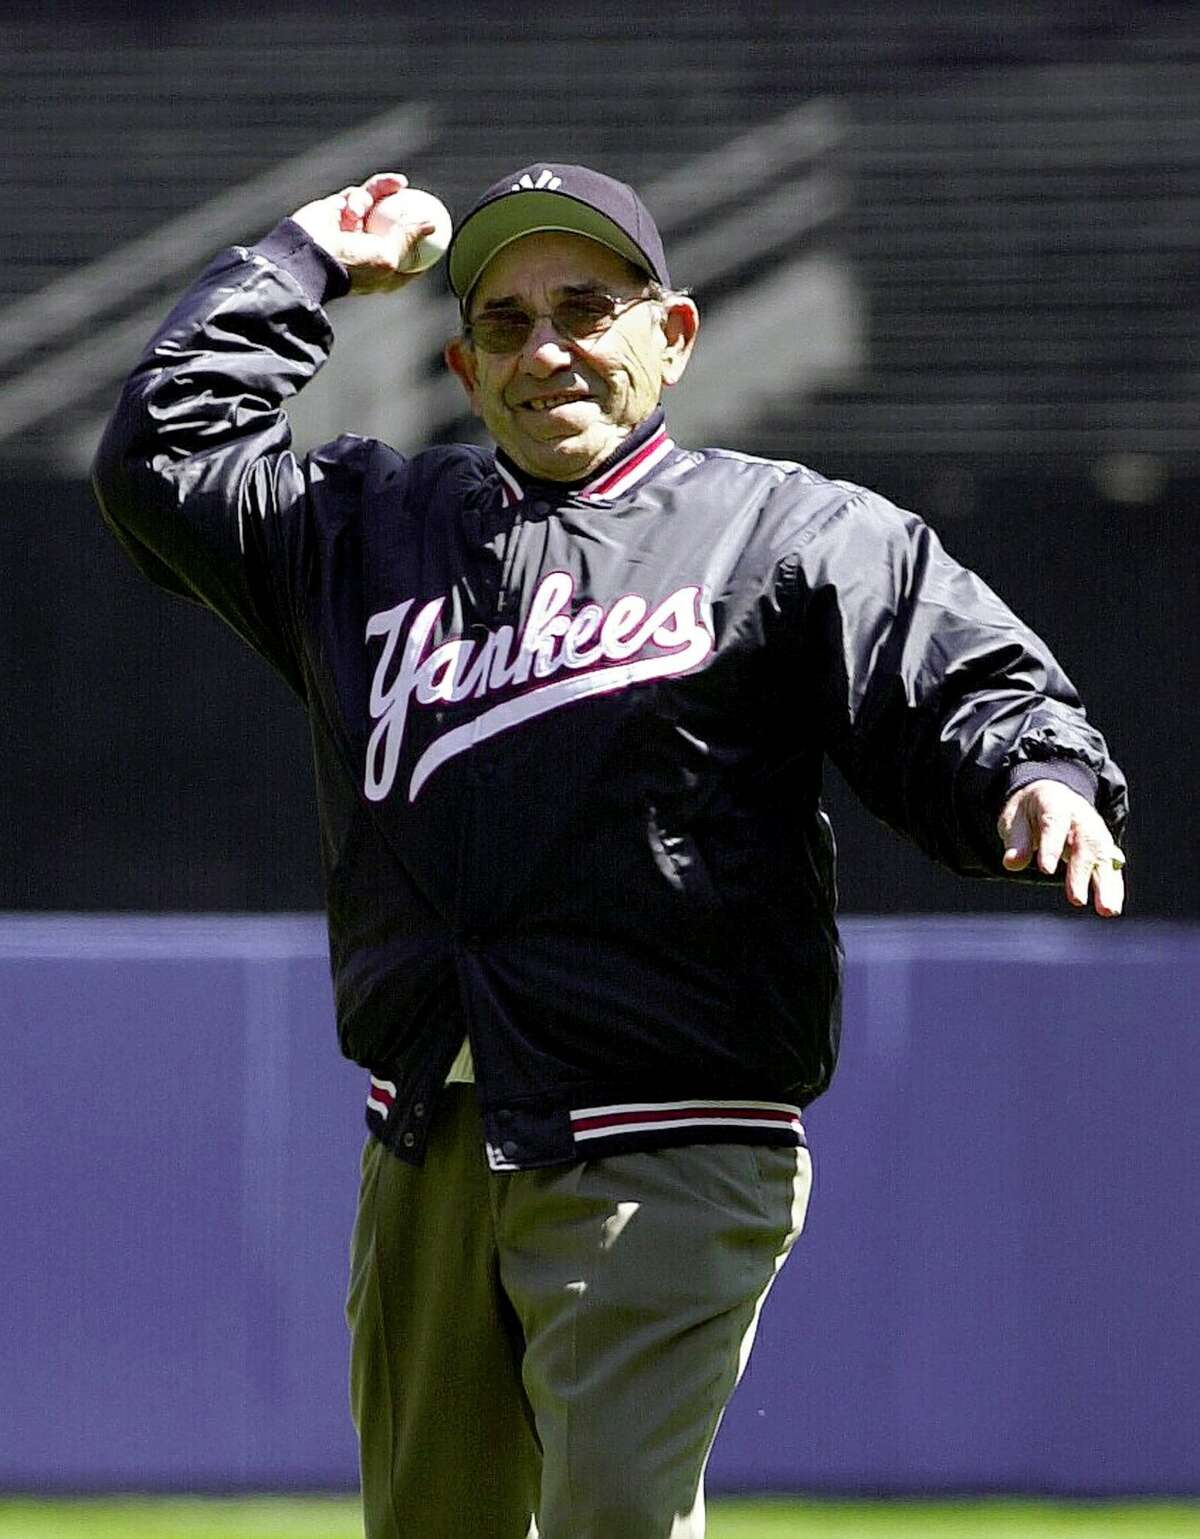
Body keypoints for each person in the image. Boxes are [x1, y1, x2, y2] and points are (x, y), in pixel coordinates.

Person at [92, 161, 1128, 1539]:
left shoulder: (787, 533)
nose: (548, 350)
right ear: (464, 365)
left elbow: (957, 675)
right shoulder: (370, 534)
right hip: (434, 1135)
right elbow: (161, 455)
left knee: (616, 1524)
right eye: (507, 325)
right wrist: (309, 256)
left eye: (587, 308)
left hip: (671, 1129)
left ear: (674, 334)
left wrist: (1033, 772)